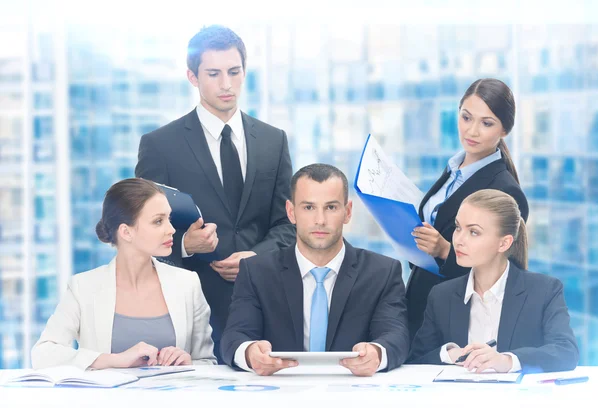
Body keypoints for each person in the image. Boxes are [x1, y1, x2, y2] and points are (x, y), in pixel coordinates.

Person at [135, 25, 295, 362]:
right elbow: (140, 235)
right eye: (214, 73)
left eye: (234, 72)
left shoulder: (273, 141)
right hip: (193, 313)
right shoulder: (160, 146)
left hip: (268, 305)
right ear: (192, 77)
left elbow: (288, 223)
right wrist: (183, 246)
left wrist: (258, 257)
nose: (226, 84)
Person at [221, 164, 410, 376]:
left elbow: (396, 335)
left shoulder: (382, 272)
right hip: (279, 394)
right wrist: (249, 353)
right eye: (308, 207)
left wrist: (376, 353)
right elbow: (235, 336)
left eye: (331, 207)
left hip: (354, 393)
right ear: (291, 212)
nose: (320, 220)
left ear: (347, 212)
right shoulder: (256, 272)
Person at [31, 178, 216, 369]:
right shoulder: (83, 287)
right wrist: (116, 360)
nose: (171, 230)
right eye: (158, 221)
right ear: (126, 232)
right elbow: (43, 354)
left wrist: (188, 363)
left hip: (172, 398)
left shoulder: (187, 284)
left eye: (169, 219)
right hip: (105, 399)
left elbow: (208, 363)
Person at [406, 78, 529, 340]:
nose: (472, 131)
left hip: (456, 320)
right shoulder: (453, 170)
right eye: (466, 117)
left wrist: (444, 250)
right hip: (419, 303)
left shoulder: (504, 190)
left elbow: (502, 272)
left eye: (486, 123)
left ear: (504, 130)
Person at [409, 190, 578, 373]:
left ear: (504, 243)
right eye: (458, 227)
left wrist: (506, 360)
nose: (458, 240)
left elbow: (566, 352)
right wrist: (449, 353)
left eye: (474, 232)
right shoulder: (441, 295)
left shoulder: (544, 291)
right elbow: (416, 359)